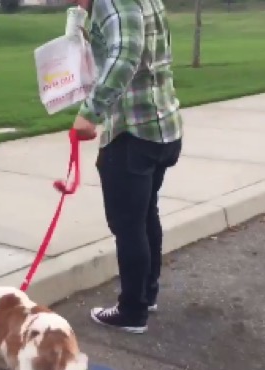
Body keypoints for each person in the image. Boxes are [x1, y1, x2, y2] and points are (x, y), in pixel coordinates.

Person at [70, 0, 184, 333]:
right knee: (145, 214)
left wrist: (90, 112)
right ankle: (145, 295)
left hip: (134, 131)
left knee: (128, 224)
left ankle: (132, 311)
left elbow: (125, 55)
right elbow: (84, 47)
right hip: (161, 129)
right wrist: (80, 12)